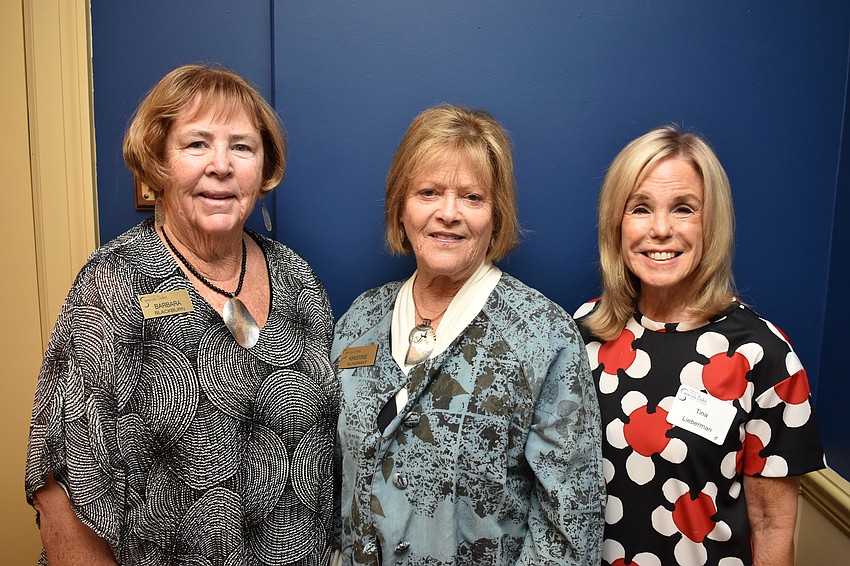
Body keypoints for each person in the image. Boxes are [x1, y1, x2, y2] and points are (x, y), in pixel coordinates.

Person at [25, 64, 338, 565]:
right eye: (197, 144)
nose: (221, 165)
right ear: (159, 160)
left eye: (242, 147)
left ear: (263, 169)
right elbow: (58, 484)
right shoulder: (115, 282)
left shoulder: (296, 278)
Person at [332, 104, 605, 565]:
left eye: (472, 198)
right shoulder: (360, 319)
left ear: (496, 215)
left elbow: (569, 525)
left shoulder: (543, 336)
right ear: (401, 207)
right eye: (428, 192)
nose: (448, 213)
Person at [574, 125, 825, 566]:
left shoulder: (762, 355)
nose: (661, 229)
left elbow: (771, 523)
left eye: (684, 209)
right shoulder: (583, 332)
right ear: (616, 221)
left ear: (712, 224)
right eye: (640, 208)